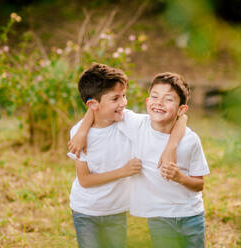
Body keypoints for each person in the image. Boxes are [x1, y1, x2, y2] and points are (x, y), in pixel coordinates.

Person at [71, 72, 209, 247]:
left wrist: (171, 147)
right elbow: (97, 107)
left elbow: (182, 119)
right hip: (155, 217)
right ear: (147, 101)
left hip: (190, 214)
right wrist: (82, 131)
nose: (159, 102)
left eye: (168, 99)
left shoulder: (188, 139)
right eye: (155, 96)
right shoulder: (136, 125)